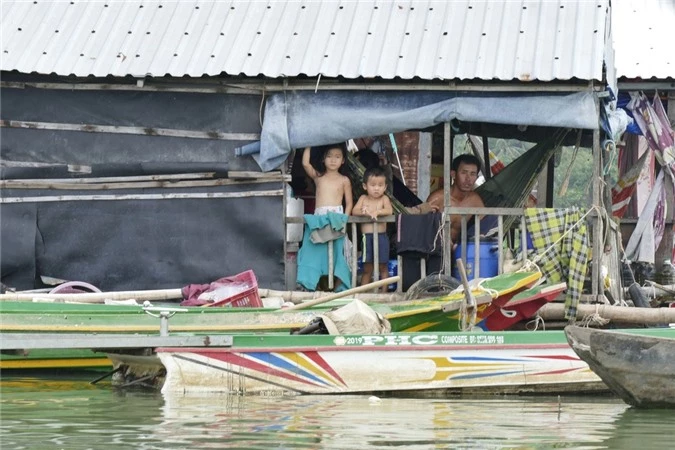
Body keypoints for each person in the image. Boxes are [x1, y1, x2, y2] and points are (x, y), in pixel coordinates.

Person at [425, 154, 485, 243]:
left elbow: (485, 229)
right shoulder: (437, 198)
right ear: (453, 174)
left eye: (473, 174)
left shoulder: (475, 201)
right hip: (435, 251)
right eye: (464, 173)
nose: (468, 179)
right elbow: (424, 229)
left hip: (461, 251)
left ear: (477, 177)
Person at [352, 167, 393, 291]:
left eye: (380, 185)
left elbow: (389, 210)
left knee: (383, 266)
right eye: (373, 185)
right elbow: (354, 211)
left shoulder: (384, 199)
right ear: (365, 186)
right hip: (367, 238)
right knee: (367, 268)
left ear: (385, 187)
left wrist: (377, 211)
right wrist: (364, 212)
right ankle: (363, 294)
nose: (376, 188)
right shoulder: (363, 199)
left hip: (381, 237)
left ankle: (384, 293)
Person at [302, 144, 353, 215]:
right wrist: (310, 144)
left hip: (336, 219)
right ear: (323, 159)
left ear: (343, 160)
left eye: (337, 157)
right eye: (329, 156)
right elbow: (305, 164)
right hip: (319, 218)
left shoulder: (344, 180)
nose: (333, 160)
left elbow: (349, 203)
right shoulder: (318, 176)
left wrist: (344, 220)